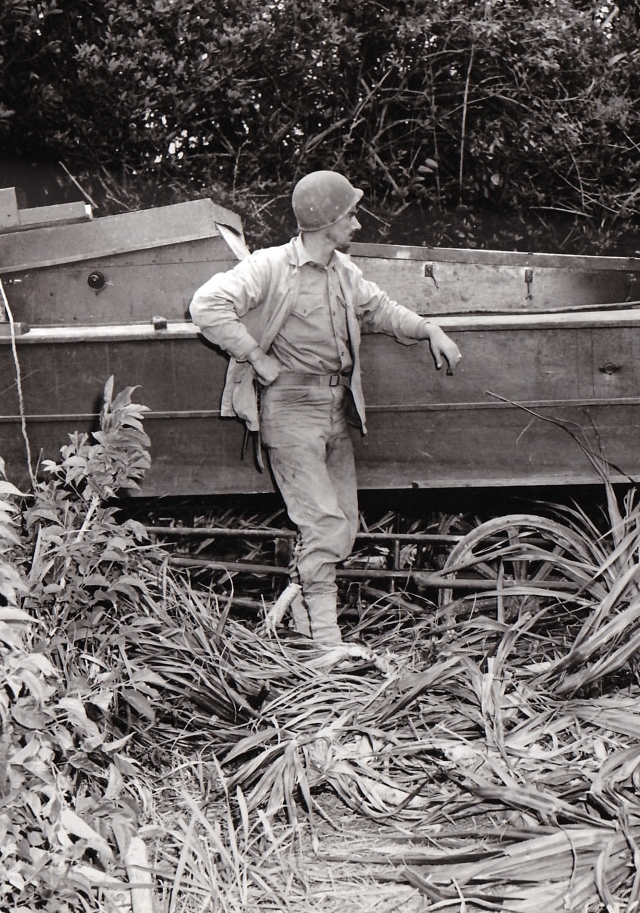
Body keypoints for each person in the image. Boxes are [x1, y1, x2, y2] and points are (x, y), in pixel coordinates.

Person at [189, 170, 462, 647]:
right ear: (326, 220)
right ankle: (326, 645)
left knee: (344, 522)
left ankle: (299, 606)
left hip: (336, 409)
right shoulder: (270, 267)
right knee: (323, 522)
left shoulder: (344, 271)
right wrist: (254, 355)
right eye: (350, 214)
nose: (357, 223)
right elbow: (206, 304)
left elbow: (381, 310)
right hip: (290, 410)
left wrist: (429, 328)